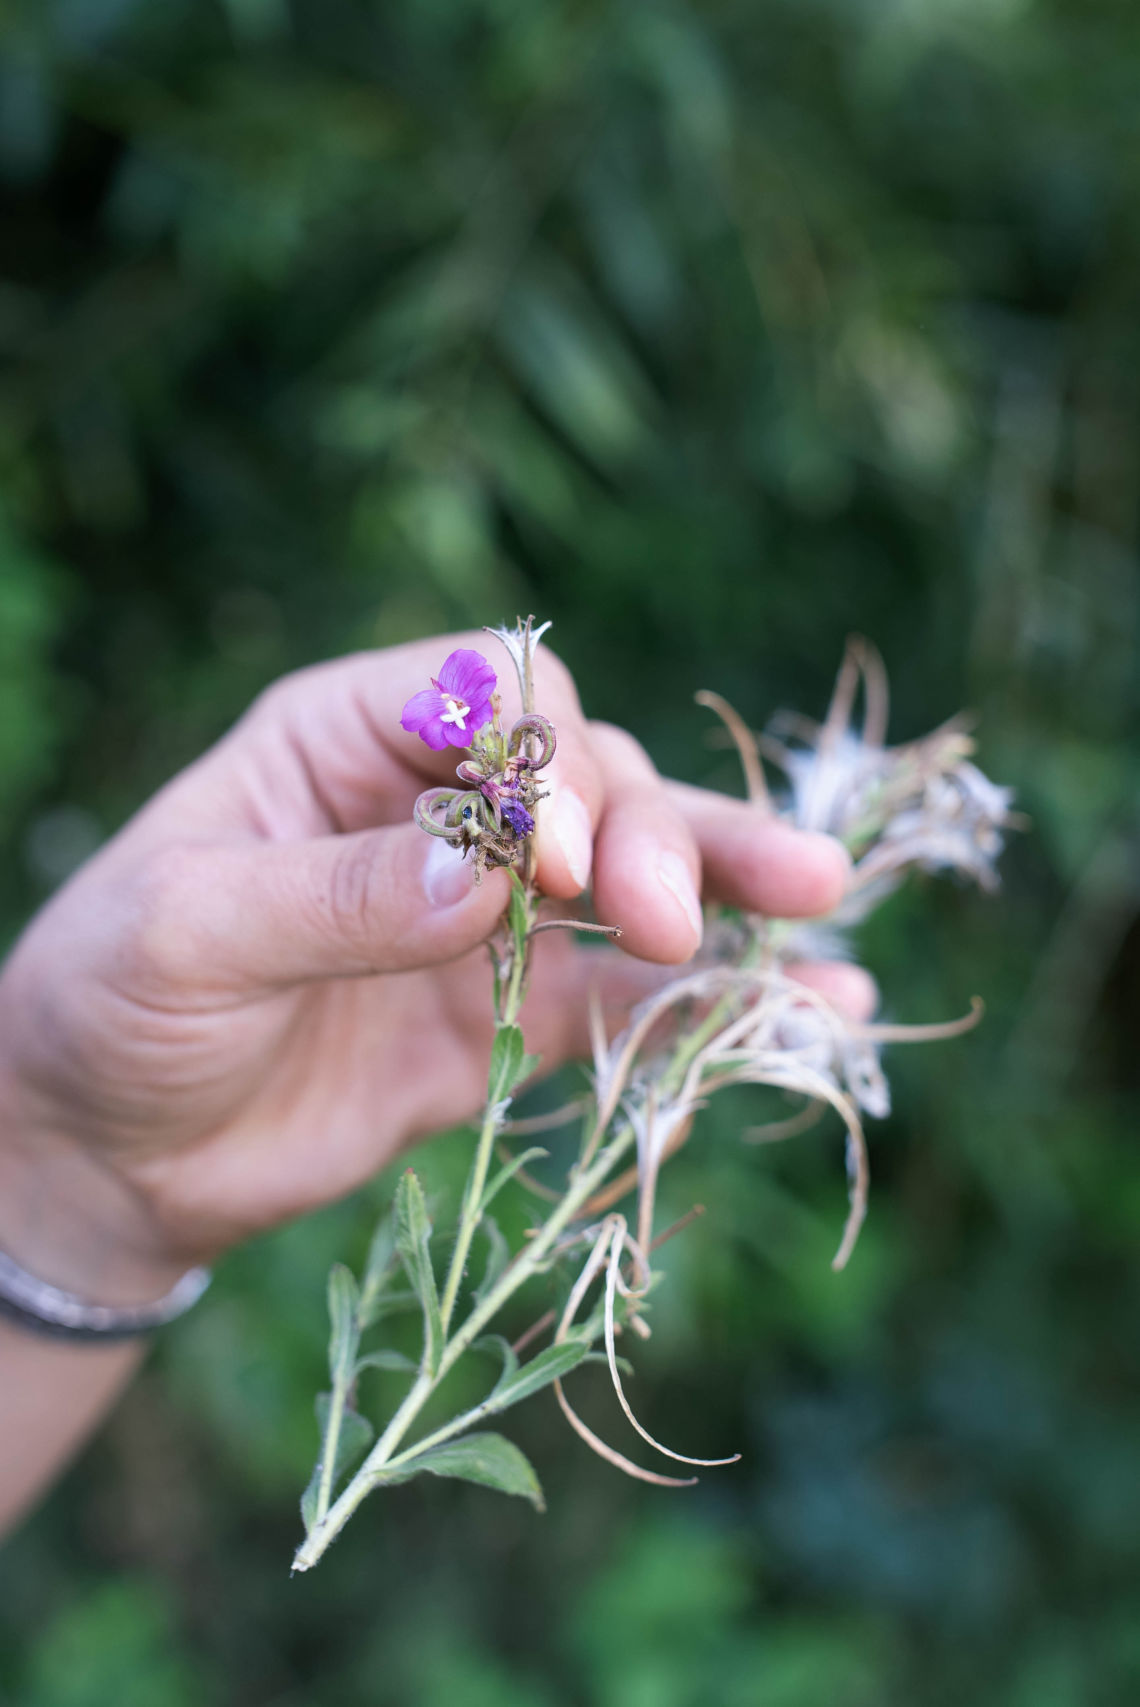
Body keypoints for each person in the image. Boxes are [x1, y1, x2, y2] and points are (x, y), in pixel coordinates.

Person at [0, 633, 869, 1537]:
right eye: (455, 714)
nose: (455, 716)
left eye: (465, 711)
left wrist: (84, 1178)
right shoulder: (447, 758)